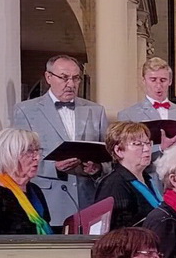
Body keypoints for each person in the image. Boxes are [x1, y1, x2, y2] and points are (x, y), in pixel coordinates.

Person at [12, 54, 109, 227]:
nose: (71, 84)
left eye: (76, 78)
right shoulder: (26, 110)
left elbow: (110, 155)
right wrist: (53, 167)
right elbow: (18, 157)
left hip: (88, 202)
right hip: (48, 201)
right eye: (64, 78)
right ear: (48, 77)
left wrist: (97, 168)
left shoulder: (96, 111)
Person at [0, 128, 51, 235]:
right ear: (9, 155)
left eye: (37, 150)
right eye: (29, 151)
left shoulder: (35, 190)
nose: (37, 157)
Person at [117, 57, 176, 151]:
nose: (158, 85)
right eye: (153, 80)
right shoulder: (128, 115)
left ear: (170, 81)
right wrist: (160, 148)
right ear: (144, 81)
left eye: (163, 80)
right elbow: (126, 151)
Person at [94, 122, 161, 231]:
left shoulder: (147, 178)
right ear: (119, 151)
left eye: (148, 143)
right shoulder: (114, 184)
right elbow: (117, 232)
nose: (147, 149)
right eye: (138, 144)